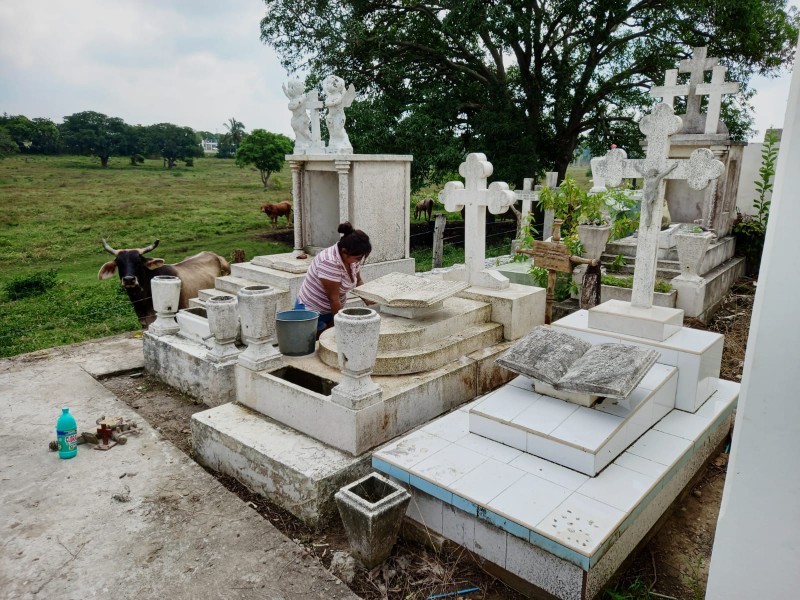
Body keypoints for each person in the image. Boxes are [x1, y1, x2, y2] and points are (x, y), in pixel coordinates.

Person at [295, 222, 372, 335]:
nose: (359, 261)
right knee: (322, 343)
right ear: (344, 252)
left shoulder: (352, 258)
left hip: (331, 311)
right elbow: (333, 298)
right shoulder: (329, 262)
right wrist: (342, 327)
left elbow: (358, 281)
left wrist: (369, 300)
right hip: (311, 312)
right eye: (358, 258)